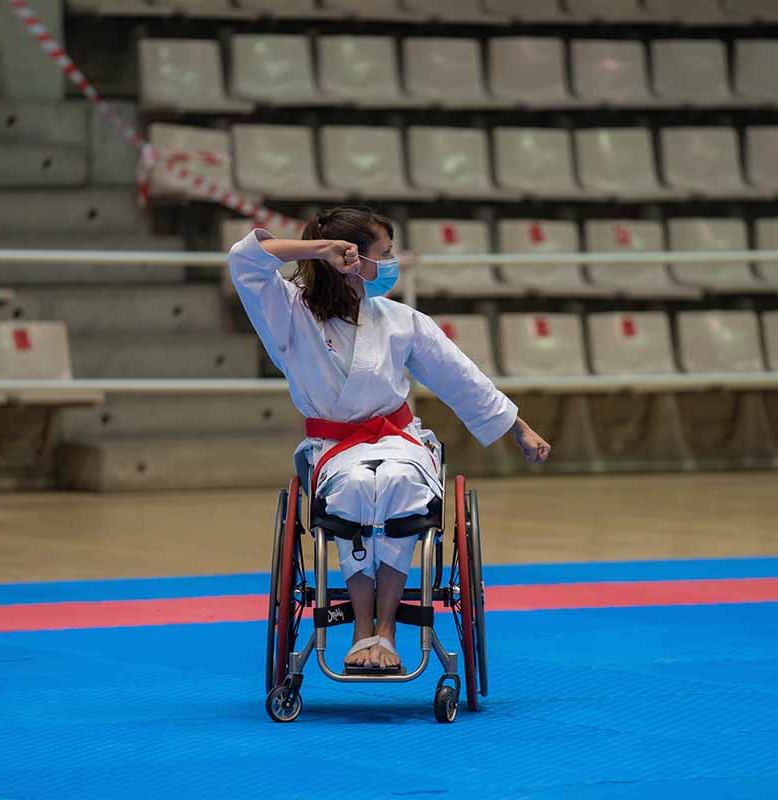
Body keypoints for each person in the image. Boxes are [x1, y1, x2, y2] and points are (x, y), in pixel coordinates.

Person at [228, 206, 551, 672]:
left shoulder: (400, 320)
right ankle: (362, 632)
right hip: (335, 449)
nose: (394, 262)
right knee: (357, 488)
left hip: (398, 438)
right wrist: (319, 249)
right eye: (386, 253)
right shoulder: (287, 312)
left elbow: (459, 377)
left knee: (401, 483)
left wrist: (519, 428)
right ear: (352, 259)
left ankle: (388, 630)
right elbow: (245, 259)